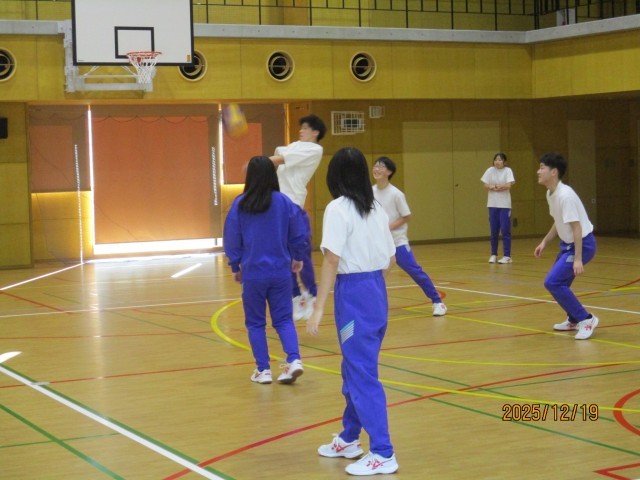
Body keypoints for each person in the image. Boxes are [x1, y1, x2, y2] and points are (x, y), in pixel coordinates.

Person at [307, 147, 399, 476]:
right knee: (353, 369)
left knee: (361, 374)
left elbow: (332, 259)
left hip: (354, 296)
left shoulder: (337, 209)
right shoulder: (376, 208)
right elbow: (391, 260)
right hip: (376, 291)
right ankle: (349, 437)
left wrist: (318, 306)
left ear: (334, 176)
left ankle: (383, 452)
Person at [223, 156, 307, 384]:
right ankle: (294, 360)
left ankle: (263, 370)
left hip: (253, 274)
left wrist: (235, 265)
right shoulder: (284, 202)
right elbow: (298, 232)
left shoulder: (240, 204)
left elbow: (232, 238)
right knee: (284, 320)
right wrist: (298, 256)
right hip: (280, 273)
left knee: (255, 323)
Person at [534, 152, 599, 340]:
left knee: (553, 282)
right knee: (560, 284)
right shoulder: (551, 193)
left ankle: (586, 319)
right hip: (567, 245)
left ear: (553, 172)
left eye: (542, 168)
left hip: (583, 245)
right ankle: (573, 319)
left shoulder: (565, 195)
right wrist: (545, 241)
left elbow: (576, 227)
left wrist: (578, 259)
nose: (538, 171)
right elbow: (559, 221)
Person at [372, 156, 447, 316]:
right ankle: (375, 307)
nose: (376, 169)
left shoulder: (396, 194)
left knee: (415, 271)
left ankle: (437, 302)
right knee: (375, 276)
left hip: (397, 242)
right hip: (378, 243)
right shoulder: (370, 192)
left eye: (381, 166)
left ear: (389, 172)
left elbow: (406, 216)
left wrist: (388, 228)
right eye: (375, 166)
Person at [270, 114, 327, 321]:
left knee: (300, 254)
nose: (301, 131)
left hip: (293, 205)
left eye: (305, 128)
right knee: (284, 255)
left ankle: (311, 294)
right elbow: (279, 154)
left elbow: (279, 158)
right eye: (301, 127)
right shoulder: (295, 145)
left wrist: (256, 163)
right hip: (278, 205)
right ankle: (295, 296)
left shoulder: (314, 150)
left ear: (315, 132)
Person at [481, 152, 515, 264]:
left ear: (504, 162)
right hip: (492, 204)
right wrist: (494, 186)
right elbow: (485, 185)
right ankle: (493, 254)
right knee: (494, 230)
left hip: (504, 205)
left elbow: (508, 185)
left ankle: (507, 256)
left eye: (500, 160)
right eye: (496, 160)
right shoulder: (490, 170)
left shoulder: (508, 171)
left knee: (505, 230)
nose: (497, 162)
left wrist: (498, 186)